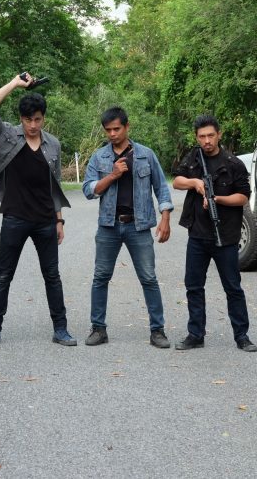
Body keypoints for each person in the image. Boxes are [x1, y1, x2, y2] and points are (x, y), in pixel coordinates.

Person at [0, 72, 75, 347]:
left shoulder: (53, 144)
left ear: (44, 118)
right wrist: (14, 83)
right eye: (28, 119)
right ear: (21, 119)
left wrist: (59, 220)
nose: (33, 125)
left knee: (52, 276)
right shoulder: (7, 135)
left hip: (45, 220)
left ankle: (61, 329)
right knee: (4, 275)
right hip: (15, 218)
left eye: (38, 119)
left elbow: (54, 184)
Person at [82, 106, 173, 348]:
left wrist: (165, 217)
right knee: (100, 277)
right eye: (108, 130)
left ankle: (157, 331)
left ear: (127, 126)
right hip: (108, 226)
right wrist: (112, 175)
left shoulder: (145, 155)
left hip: (138, 226)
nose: (112, 134)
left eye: (117, 129)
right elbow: (88, 190)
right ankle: (98, 329)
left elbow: (161, 188)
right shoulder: (99, 157)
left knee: (149, 278)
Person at [171, 114, 257, 352]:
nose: (207, 141)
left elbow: (243, 197)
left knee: (233, 288)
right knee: (194, 286)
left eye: (211, 135)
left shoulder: (233, 163)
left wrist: (217, 199)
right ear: (197, 137)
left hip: (226, 235)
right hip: (197, 235)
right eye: (202, 136)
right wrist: (195, 183)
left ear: (219, 134)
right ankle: (195, 334)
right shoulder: (193, 158)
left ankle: (242, 336)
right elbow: (177, 181)